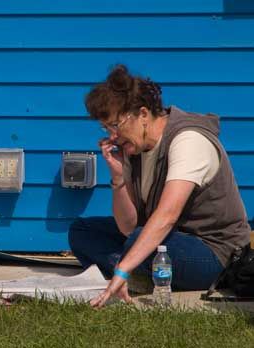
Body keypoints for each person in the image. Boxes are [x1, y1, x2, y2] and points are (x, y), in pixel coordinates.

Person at [68, 65, 250, 308]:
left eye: (116, 125)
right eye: (106, 128)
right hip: (166, 240)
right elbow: (128, 225)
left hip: (214, 252)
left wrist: (121, 269)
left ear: (143, 114)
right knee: (82, 231)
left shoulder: (188, 140)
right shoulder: (135, 148)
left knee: (137, 241)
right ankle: (140, 274)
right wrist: (119, 178)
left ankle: (129, 275)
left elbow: (166, 215)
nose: (112, 136)